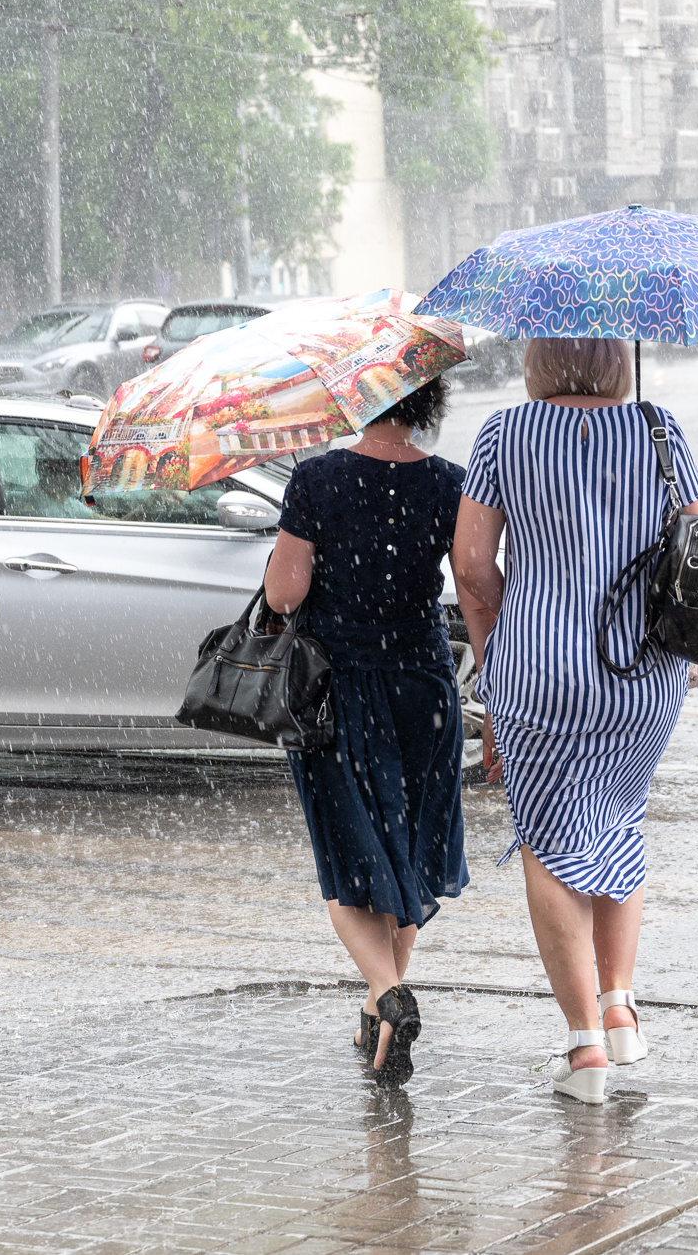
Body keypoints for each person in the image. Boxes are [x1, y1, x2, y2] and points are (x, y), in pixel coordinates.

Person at [451, 338, 698, 1105]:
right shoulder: (660, 430)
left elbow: (471, 565)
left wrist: (498, 648)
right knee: (618, 817)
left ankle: (584, 1048)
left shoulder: (505, 433)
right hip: (644, 674)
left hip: (539, 670)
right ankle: (620, 1004)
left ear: (539, 355)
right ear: (615, 357)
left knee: (549, 841)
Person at [263, 374, 468, 1088]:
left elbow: (284, 594)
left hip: (340, 692)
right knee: (404, 862)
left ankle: (390, 996)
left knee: (351, 867)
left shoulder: (317, 479)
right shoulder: (449, 481)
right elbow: (473, 577)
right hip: (425, 688)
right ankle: (379, 1011)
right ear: (427, 403)